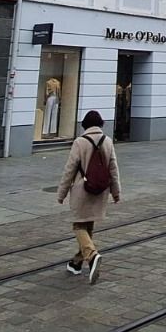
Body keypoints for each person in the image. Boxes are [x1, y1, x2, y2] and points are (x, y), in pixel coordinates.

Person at [57, 109, 120, 284]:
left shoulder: (80, 142)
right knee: (88, 225)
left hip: (82, 190)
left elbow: (70, 169)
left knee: (79, 225)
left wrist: (61, 193)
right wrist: (116, 192)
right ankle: (76, 263)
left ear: (85, 125)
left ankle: (92, 255)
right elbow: (113, 169)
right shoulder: (107, 141)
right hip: (100, 190)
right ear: (100, 124)